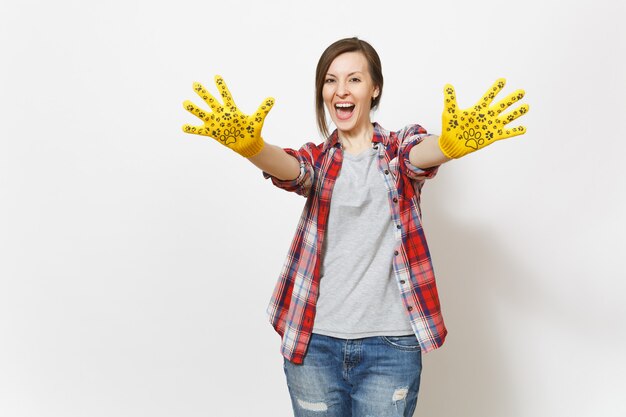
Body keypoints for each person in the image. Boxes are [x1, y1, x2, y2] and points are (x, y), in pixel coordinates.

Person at [182, 37, 529, 417]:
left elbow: (419, 156)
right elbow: (293, 170)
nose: (340, 91)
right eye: (330, 81)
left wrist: (445, 146)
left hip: (390, 347)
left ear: (374, 87)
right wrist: (254, 149)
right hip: (314, 344)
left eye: (354, 80)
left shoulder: (398, 149)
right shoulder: (320, 159)